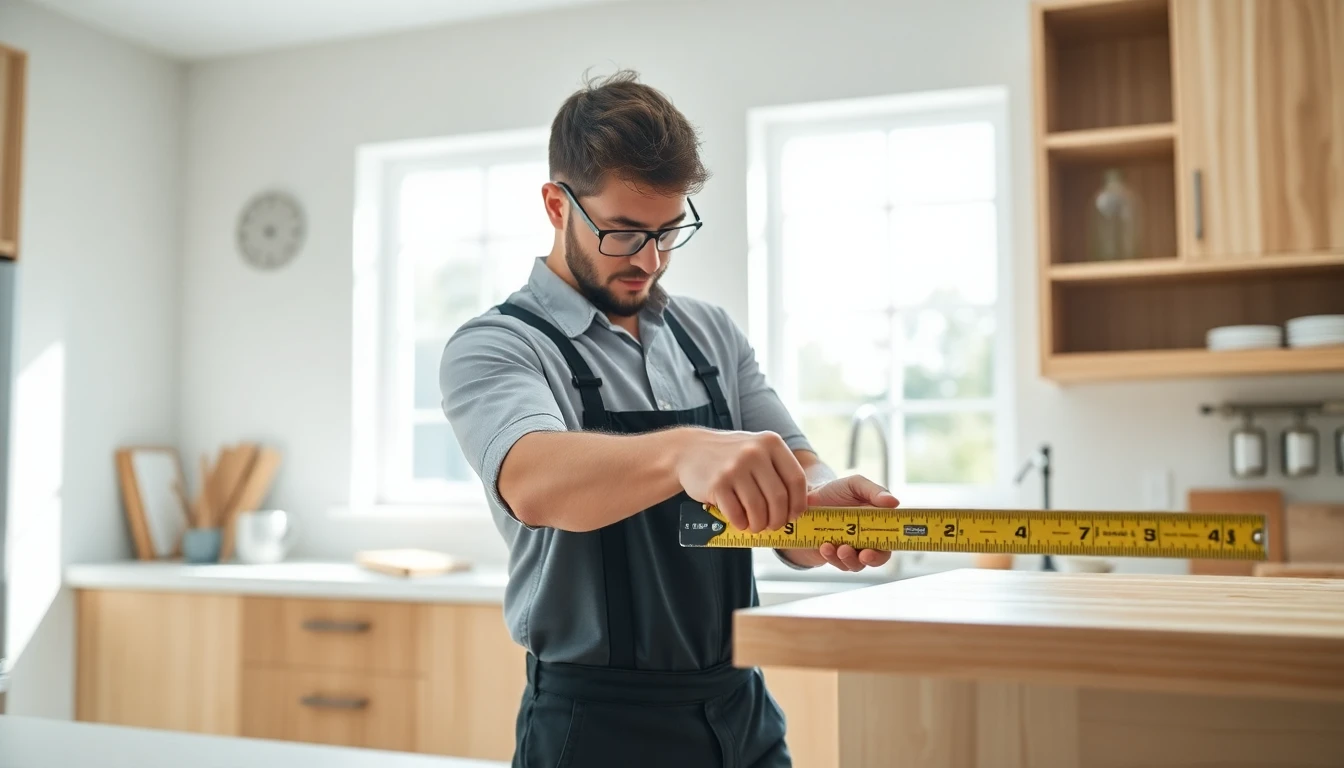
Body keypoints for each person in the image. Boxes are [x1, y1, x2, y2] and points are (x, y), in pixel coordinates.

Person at [439, 70, 899, 768]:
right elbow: (534, 480)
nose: (650, 260)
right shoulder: (496, 346)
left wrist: (818, 511)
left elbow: (798, 469)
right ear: (557, 206)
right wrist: (688, 452)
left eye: (668, 231)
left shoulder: (709, 333)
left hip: (741, 712)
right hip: (595, 725)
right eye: (623, 233)